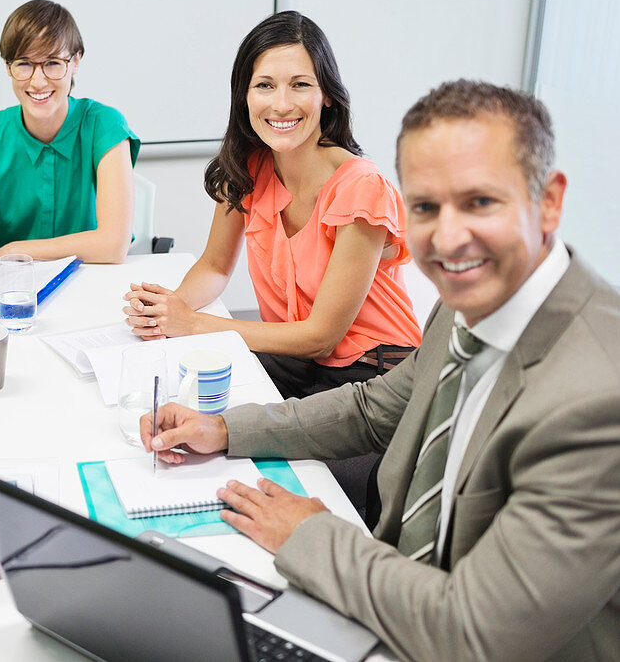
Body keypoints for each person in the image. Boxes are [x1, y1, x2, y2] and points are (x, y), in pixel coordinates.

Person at [141, 81, 620, 661]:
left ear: (549, 201)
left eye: (480, 202)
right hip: (390, 609)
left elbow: (473, 635)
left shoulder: (600, 397)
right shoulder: (469, 303)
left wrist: (312, 536)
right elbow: (372, 409)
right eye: (424, 206)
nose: (447, 238)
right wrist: (225, 429)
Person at [123, 11, 422, 399]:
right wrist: (169, 310)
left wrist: (191, 323)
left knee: (231, 429)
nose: (281, 105)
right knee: (174, 396)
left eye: (300, 85)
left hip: (376, 372)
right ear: (245, 95)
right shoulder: (246, 169)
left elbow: (320, 337)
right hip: (298, 363)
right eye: (265, 85)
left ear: (326, 95)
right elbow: (215, 266)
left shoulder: (362, 187)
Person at [0, 0, 139, 278]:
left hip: (92, 280)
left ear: (76, 62)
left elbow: (113, 245)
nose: (38, 82)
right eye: (24, 64)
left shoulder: (104, 124)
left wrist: (17, 249)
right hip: (18, 289)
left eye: (53, 63)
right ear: (8, 67)